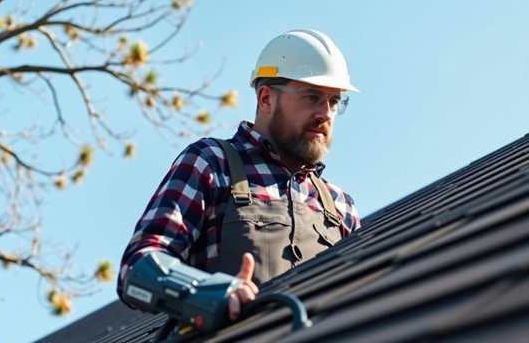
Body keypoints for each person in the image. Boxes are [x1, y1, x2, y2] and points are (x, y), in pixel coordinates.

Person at [117, 28, 361, 322]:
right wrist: (208, 293)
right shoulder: (211, 163)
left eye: (334, 102)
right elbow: (137, 268)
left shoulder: (340, 207)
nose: (325, 114)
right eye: (312, 97)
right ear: (266, 98)